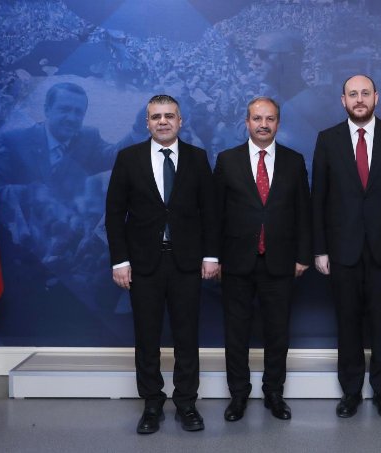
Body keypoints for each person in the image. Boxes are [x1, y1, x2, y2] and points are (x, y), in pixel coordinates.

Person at [105, 95, 217, 434]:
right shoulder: (128, 158)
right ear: (147, 123)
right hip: (143, 265)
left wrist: (211, 256)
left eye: (169, 116)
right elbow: (114, 214)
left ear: (181, 121)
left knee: (187, 336)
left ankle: (186, 403)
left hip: (186, 263)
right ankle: (152, 404)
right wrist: (120, 261)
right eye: (156, 117)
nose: (163, 121)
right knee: (146, 336)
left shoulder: (197, 158)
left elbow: (211, 212)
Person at [311, 74, 381, 419]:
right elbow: (318, 199)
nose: (359, 99)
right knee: (347, 323)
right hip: (342, 250)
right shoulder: (327, 139)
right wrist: (320, 249)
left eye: (365, 93)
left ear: (377, 98)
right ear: (342, 100)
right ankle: (351, 392)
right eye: (353, 94)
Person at [212, 96, 311, 422]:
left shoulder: (294, 161)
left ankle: (274, 393)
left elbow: (304, 211)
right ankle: (238, 395)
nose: (263, 125)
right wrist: (215, 257)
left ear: (278, 123)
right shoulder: (227, 160)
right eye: (257, 118)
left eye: (269, 119)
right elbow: (216, 214)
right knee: (236, 333)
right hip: (236, 262)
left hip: (281, 261)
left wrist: (303, 255)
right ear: (247, 122)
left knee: (277, 332)